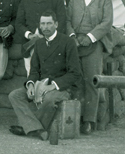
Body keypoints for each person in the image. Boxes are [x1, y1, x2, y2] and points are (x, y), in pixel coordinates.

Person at [8, 11, 81, 141]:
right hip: (41, 85)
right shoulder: (39, 43)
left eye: (49, 23)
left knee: (49, 98)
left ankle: (29, 128)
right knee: (15, 95)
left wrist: (54, 86)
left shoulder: (68, 42)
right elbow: (34, 70)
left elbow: (75, 73)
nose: (46, 27)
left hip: (63, 88)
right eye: (43, 24)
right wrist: (30, 84)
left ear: (56, 24)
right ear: (40, 26)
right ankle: (37, 129)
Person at [66, 0, 114, 135]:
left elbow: (107, 23)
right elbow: (66, 20)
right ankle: (74, 117)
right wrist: (72, 36)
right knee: (74, 80)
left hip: (94, 43)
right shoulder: (73, 0)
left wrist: (91, 37)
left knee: (91, 81)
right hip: (75, 44)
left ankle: (89, 121)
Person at [16, 0, 67, 74]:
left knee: (48, 75)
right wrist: (29, 35)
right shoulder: (25, 1)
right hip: (29, 45)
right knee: (31, 75)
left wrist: (48, 37)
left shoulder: (56, 0)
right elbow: (19, 23)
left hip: (51, 46)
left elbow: (61, 22)